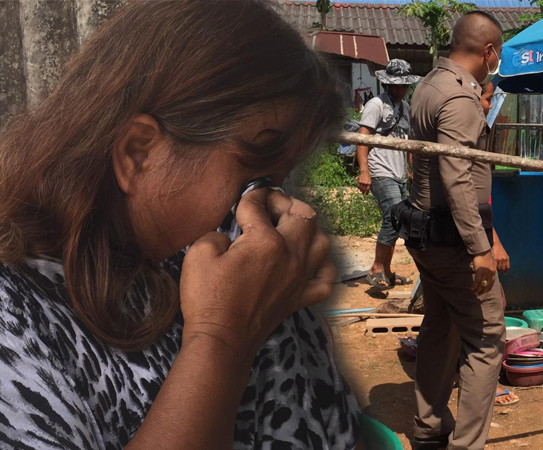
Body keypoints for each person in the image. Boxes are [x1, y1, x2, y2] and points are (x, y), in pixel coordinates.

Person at [0, 1, 359, 448]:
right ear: (139, 153)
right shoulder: (17, 320)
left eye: (282, 179)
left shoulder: (213, 268)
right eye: (256, 174)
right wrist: (221, 340)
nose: (280, 206)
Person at [405, 11, 505, 450]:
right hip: (453, 240)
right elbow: (457, 174)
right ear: (488, 52)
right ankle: (466, 444)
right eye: (496, 54)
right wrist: (480, 247)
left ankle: (428, 427)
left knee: (441, 325)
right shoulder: (462, 98)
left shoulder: (428, 84)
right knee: (486, 339)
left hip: (425, 232)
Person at [356, 59, 420, 288]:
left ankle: (388, 271)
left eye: (406, 85)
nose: (403, 89)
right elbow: (362, 138)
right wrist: (364, 171)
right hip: (380, 169)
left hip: (399, 172)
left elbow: (408, 142)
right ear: (389, 85)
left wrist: (412, 170)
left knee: (399, 219)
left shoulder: (406, 108)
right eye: (399, 85)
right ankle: (376, 268)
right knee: (393, 216)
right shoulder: (376, 104)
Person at [479, 82, 518, 407]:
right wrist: (494, 245)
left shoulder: (478, 137)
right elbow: (466, 203)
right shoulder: (465, 136)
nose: (493, 106)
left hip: (472, 237)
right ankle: (484, 385)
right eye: (490, 99)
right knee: (491, 311)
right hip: (470, 243)